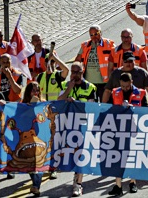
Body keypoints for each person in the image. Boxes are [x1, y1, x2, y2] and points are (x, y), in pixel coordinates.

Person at [58, 62, 98, 197]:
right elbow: (58, 102)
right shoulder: (64, 85)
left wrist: (77, 103)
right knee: (67, 154)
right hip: (67, 125)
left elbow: (92, 108)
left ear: (83, 72)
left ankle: (78, 184)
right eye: (72, 72)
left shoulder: (90, 87)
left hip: (82, 126)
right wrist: (68, 90)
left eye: (77, 72)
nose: (74, 75)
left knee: (80, 154)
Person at [109, 72, 148, 195]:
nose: (125, 88)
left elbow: (146, 111)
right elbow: (109, 109)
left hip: (134, 129)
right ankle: (118, 185)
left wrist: (133, 108)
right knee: (117, 157)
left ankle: (132, 183)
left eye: (127, 86)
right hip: (118, 129)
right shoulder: (115, 92)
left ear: (131, 82)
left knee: (132, 157)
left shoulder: (141, 93)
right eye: (123, 86)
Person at [74, 25, 115, 100]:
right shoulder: (85, 45)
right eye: (91, 35)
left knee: (104, 106)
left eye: (96, 34)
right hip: (89, 83)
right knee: (92, 106)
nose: (94, 37)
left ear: (101, 33)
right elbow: (77, 60)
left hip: (104, 82)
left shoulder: (109, 44)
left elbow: (116, 60)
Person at [21, 82, 46, 196]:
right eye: (33, 91)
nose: (36, 93)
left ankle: (36, 185)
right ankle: (35, 182)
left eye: (37, 91)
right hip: (28, 138)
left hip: (41, 136)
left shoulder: (43, 103)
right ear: (28, 92)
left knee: (39, 162)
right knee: (30, 162)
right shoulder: (23, 104)